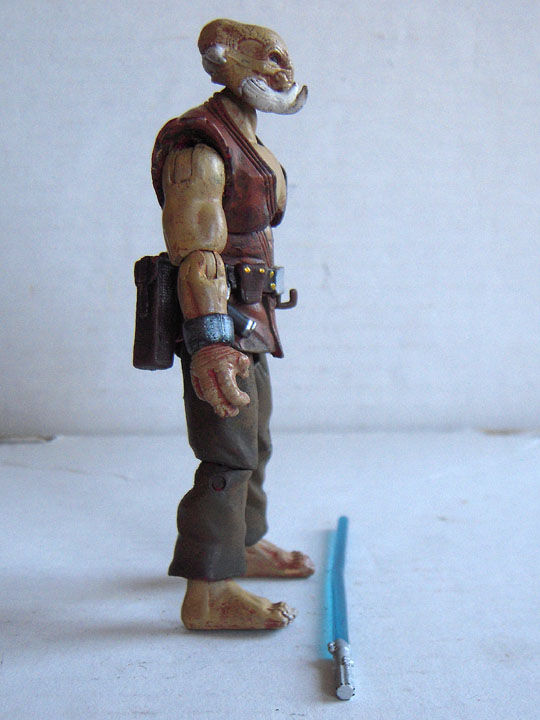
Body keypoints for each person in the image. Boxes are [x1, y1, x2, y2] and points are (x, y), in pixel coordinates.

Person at [151, 18, 313, 630]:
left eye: (285, 59)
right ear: (227, 64)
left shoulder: (245, 136)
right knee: (226, 455)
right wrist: (211, 343)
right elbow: (196, 252)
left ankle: (243, 544)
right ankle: (208, 592)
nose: (284, 73)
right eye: (269, 59)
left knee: (255, 442)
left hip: (253, 315)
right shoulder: (202, 145)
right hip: (218, 319)